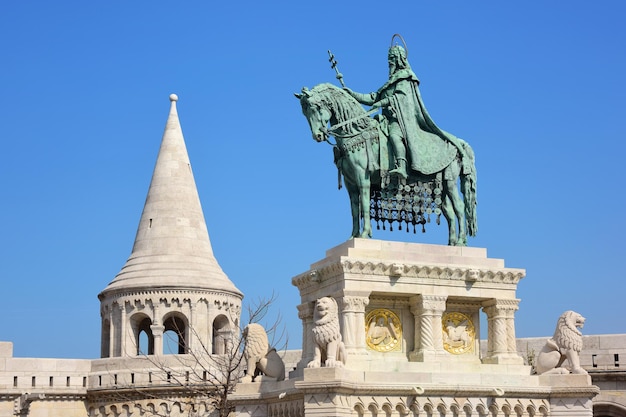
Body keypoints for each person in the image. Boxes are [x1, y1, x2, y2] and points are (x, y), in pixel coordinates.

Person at [344, 42, 467, 179]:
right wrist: (352, 94)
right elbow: (372, 97)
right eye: (388, 59)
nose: (389, 62)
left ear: (399, 59)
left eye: (391, 58)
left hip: (400, 120)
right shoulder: (390, 82)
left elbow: (400, 98)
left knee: (394, 136)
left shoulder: (405, 77)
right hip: (386, 120)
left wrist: (382, 102)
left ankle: (401, 166)